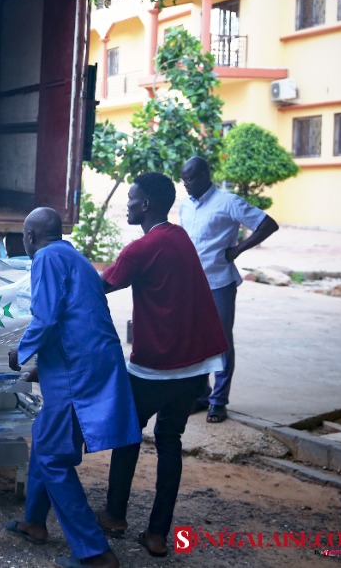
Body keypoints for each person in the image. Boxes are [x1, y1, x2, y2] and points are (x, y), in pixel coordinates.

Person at [96, 172, 229, 559]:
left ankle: (115, 515)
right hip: (195, 366)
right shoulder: (179, 237)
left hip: (155, 366)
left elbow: (100, 286)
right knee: (170, 442)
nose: (127, 204)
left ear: (146, 205)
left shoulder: (140, 248)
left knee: (127, 435)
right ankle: (157, 534)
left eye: (131, 198)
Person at [3, 208, 140, 568]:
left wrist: (21, 352)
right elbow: (73, 316)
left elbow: (46, 317)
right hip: (92, 363)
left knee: (53, 456)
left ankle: (96, 553)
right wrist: (42, 365)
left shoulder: (46, 257)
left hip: (75, 373)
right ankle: (34, 522)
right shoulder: (77, 258)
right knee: (44, 438)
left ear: (29, 237)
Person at [180, 155, 280, 424]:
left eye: (190, 178)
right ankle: (201, 395)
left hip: (219, 283)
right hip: (193, 284)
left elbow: (267, 224)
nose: (186, 183)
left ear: (205, 175)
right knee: (196, 342)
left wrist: (237, 250)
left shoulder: (228, 202)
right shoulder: (185, 205)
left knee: (221, 342)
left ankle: (219, 402)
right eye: (183, 179)